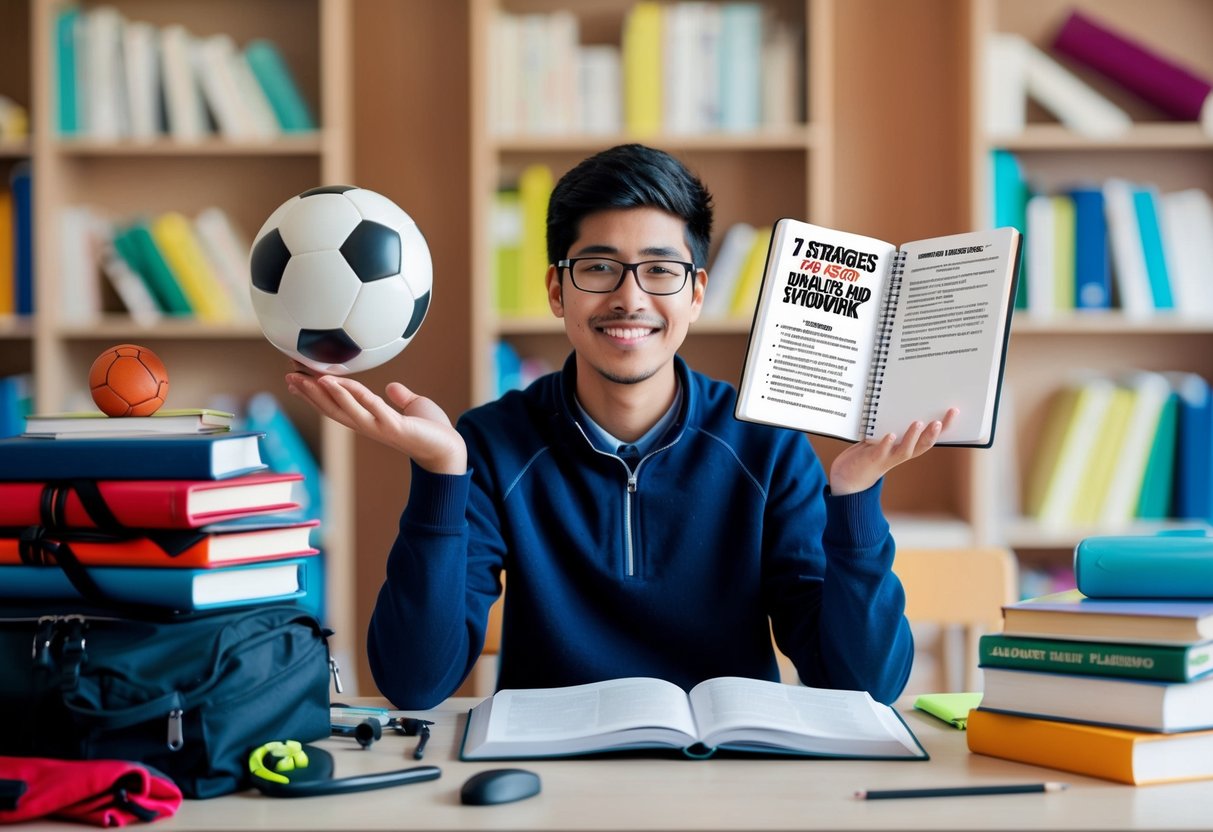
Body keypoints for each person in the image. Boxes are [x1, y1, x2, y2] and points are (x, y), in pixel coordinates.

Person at [286, 144, 956, 710]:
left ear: (696, 293)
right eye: (599, 267)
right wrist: (440, 477)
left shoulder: (769, 447)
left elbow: (862, 685)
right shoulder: (490, 444)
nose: (629, 298)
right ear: (556, 290)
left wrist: (855, 496)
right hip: (544, 785)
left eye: (660, 271)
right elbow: (413, 682)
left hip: (731, 784)